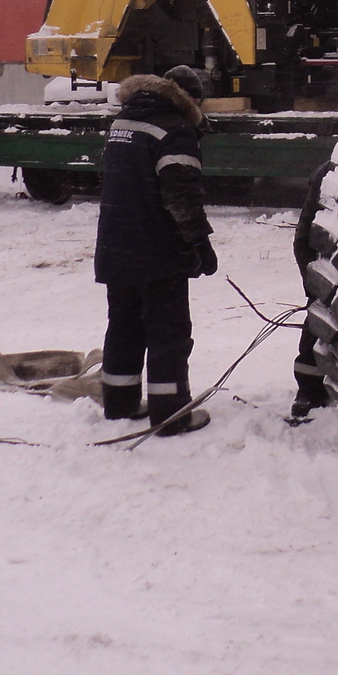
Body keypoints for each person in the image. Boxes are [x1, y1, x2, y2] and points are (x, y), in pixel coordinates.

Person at [94, 65, 218, 436]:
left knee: (124, 327)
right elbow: (182, 196)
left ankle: (119, 405)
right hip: (158, 252)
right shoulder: (175, 129)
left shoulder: (123, 122)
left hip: (116, 247)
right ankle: (171, 414)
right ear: (190, 98)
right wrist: (200, 242)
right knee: (168, 333)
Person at [289, 160, 334, 421]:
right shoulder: (329, 173)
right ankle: (308, 390)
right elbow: (304, 238)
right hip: (324, 261)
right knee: (317, 316)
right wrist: (314, 282)